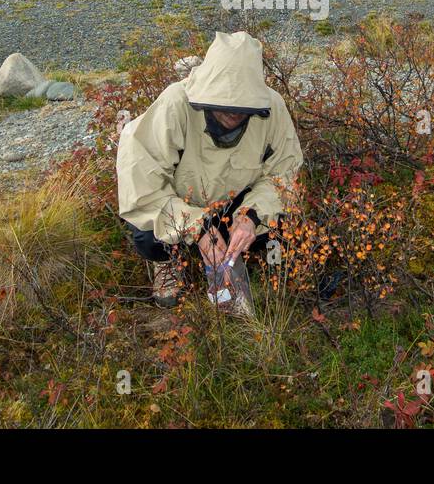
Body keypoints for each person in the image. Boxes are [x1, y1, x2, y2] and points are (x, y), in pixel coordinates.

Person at [116, 31, 303, 307]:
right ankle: (167, 262)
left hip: (236, 204)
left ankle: (257, 257)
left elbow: (283, 174)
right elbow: (144, 188)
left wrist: (250, 216)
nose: (234, 114)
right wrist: (198, 228)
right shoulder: (175, 104)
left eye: (242, 108)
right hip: (183, 206)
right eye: (223, 105)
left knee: (283, 221)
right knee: (148, 236)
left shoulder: (272, 108)